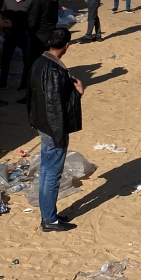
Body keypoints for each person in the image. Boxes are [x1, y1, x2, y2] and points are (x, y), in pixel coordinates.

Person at [28, 28, 84, 232]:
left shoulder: (40, 62)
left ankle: (48, 213)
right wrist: (78, 94)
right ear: (67, 45)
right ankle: (49, 219)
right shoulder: (53, 68)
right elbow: (54, 105)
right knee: (52, 173)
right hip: (53, 127)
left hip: (43, 124)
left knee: (46, 171)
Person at [0, 0, 33, 91]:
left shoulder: (30, 1)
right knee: (5, 59)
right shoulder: (7, 0)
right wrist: (4, 28)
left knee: (27, 60)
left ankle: (24, 83)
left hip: (25, 34)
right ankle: (3, 82)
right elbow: (2, 14)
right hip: (11, 34)